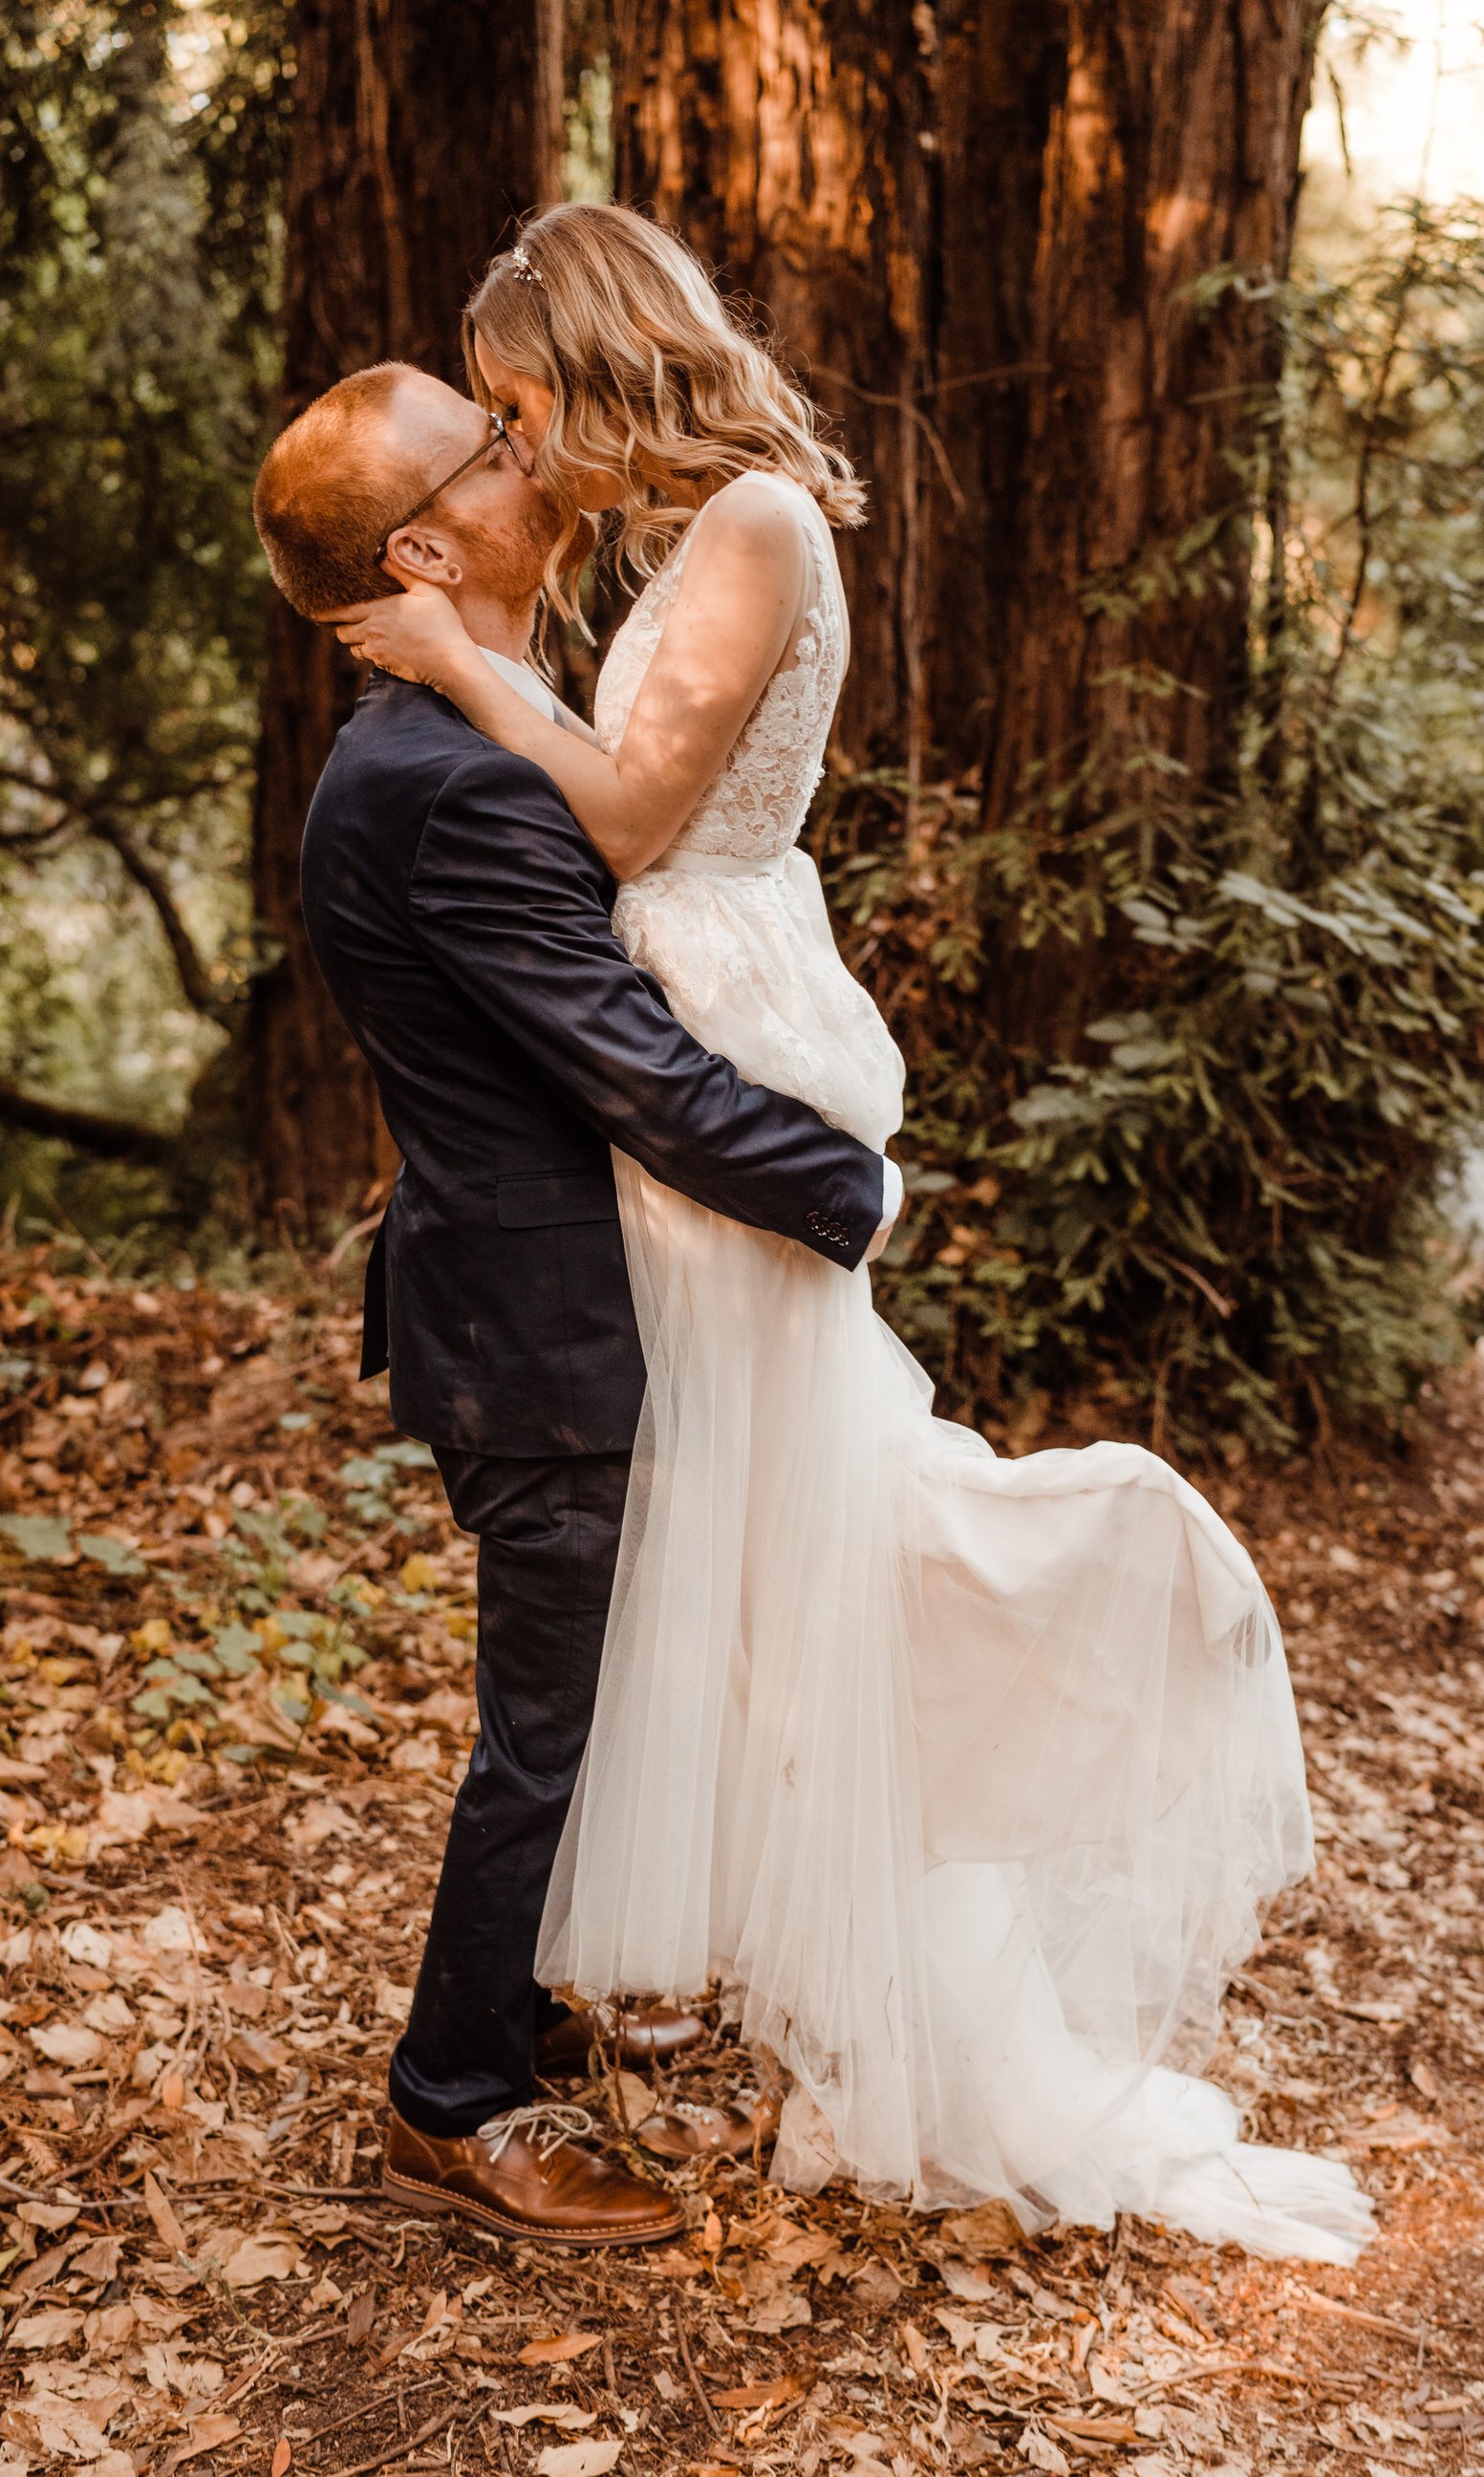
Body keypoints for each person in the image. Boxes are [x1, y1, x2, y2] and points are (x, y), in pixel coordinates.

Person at [330, 203, 1375, 2265]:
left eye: (526, 406)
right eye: (498, 435)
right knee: (711, 1584)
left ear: (604, 356)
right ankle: (572, 2042)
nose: (525, 453)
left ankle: (1035, 1680)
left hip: (715, 1075)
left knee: (778, 1548)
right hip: (651, 1123)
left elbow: (631, 826)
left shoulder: (745, 531)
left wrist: (458, 655)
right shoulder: (674, 546)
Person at [251, 361, 902, 2249]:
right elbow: (634, 1074)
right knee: (559, 1720)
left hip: (541, 1306)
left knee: (592, 1699)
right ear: (425, 544)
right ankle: (452, 2100)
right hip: (545, 1331)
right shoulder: (454, 787)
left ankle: (513, 1999)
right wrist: (844, 1184)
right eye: (492, 444)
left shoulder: (467, 738)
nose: (532, 450)